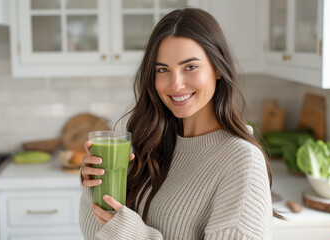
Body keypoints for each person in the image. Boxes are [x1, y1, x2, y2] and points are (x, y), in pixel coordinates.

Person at [79, 8, 276, 240]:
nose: (176, 84)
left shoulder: (241, 161)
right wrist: (95, 191)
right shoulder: (148, 143)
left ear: (218, 69)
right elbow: (97, 235)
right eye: (163, 70)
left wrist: (136, 236)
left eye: (190, 67)